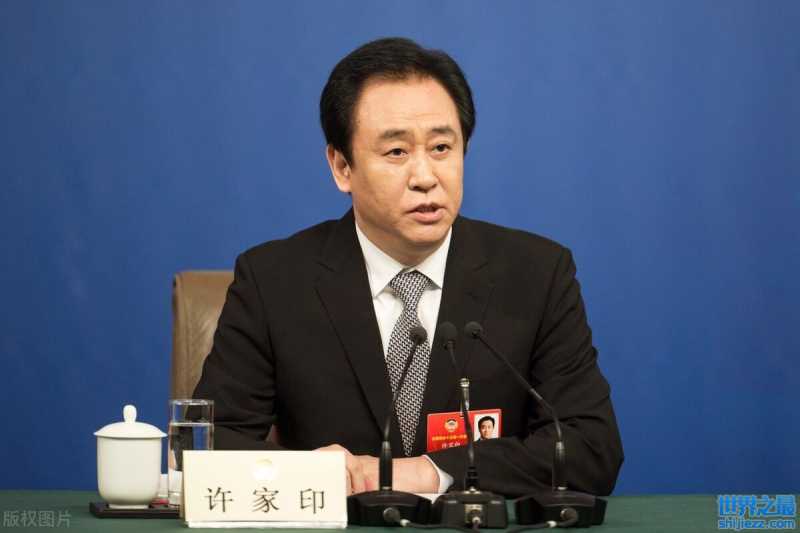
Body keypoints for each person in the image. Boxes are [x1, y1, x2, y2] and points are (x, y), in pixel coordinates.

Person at [193, 37, 623, 498]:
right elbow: (208, 445)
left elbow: (589, 446)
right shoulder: (274, 281)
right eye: (396, 152)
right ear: (342, 167)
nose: (425, 177)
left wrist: (430, 472)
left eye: (441, 147)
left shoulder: (536, 274)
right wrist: (311, 473)